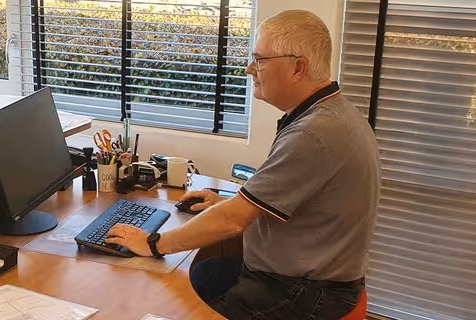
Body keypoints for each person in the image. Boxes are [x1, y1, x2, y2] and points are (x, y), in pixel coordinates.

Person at [103, 9, 381, 319]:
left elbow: (234, 221)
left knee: (161, 302)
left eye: (260, 60)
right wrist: (221, 201)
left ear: (298, 68)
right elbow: (288, 199)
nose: (250, 69)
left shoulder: (313, 134)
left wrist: (153, 244)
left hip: (305, 293)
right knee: (202, 274)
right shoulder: (332, 112)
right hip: (313, 278)